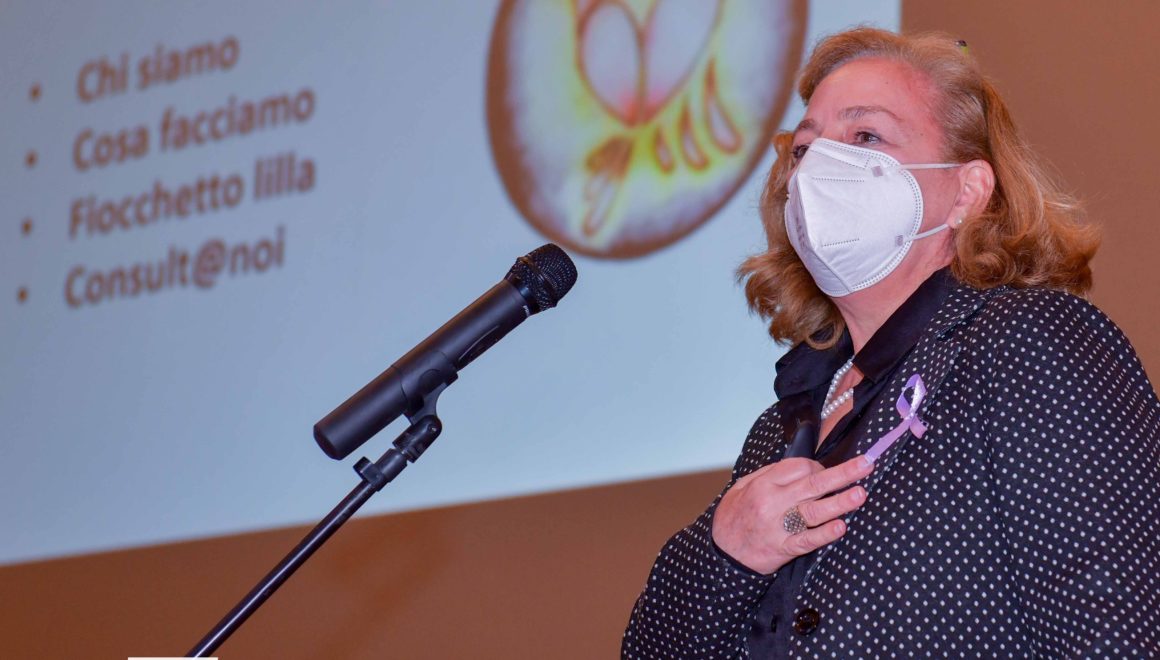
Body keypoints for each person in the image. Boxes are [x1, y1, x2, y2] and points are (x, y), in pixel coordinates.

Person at [622, 27, 1160, 658]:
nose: (818, 167)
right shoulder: (785, 423)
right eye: (804, 148)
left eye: (865, 137)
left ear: (967, 191)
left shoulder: (1026, 341)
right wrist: (725, 550)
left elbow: (1115, 628)